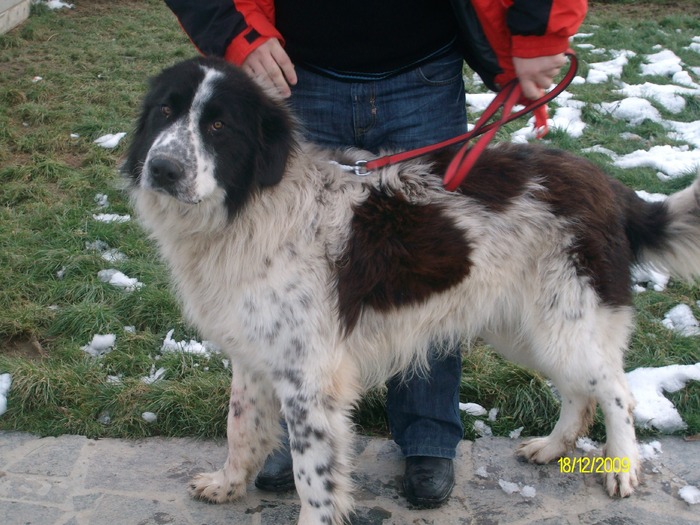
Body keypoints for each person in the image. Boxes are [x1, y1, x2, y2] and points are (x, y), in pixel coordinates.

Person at [164, 0, 587, 508]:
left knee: (431, 271)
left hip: (424, 70)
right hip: (296, 72)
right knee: (275, 302)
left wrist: (541, 32)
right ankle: (280, 440)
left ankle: (428, 438)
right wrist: (236, 33)